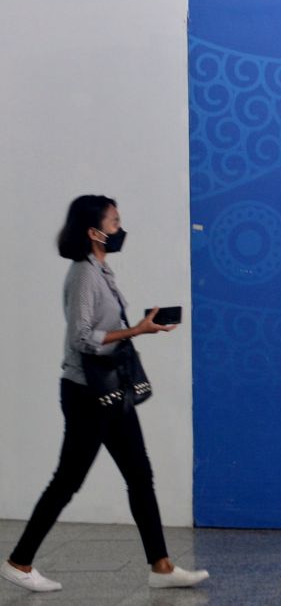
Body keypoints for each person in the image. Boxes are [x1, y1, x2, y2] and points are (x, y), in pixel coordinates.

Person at [1, 195, 209, 592]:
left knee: (139, 474)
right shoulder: (83, 273)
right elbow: (82, 338)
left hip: (111, 391)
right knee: (67, 481)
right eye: (114, 222)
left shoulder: (101, 270)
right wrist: (136, 331)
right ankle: (18, 562)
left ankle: (161, 567)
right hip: (86, 394)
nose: (120, 228)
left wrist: (142, 323)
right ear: (94, 231)